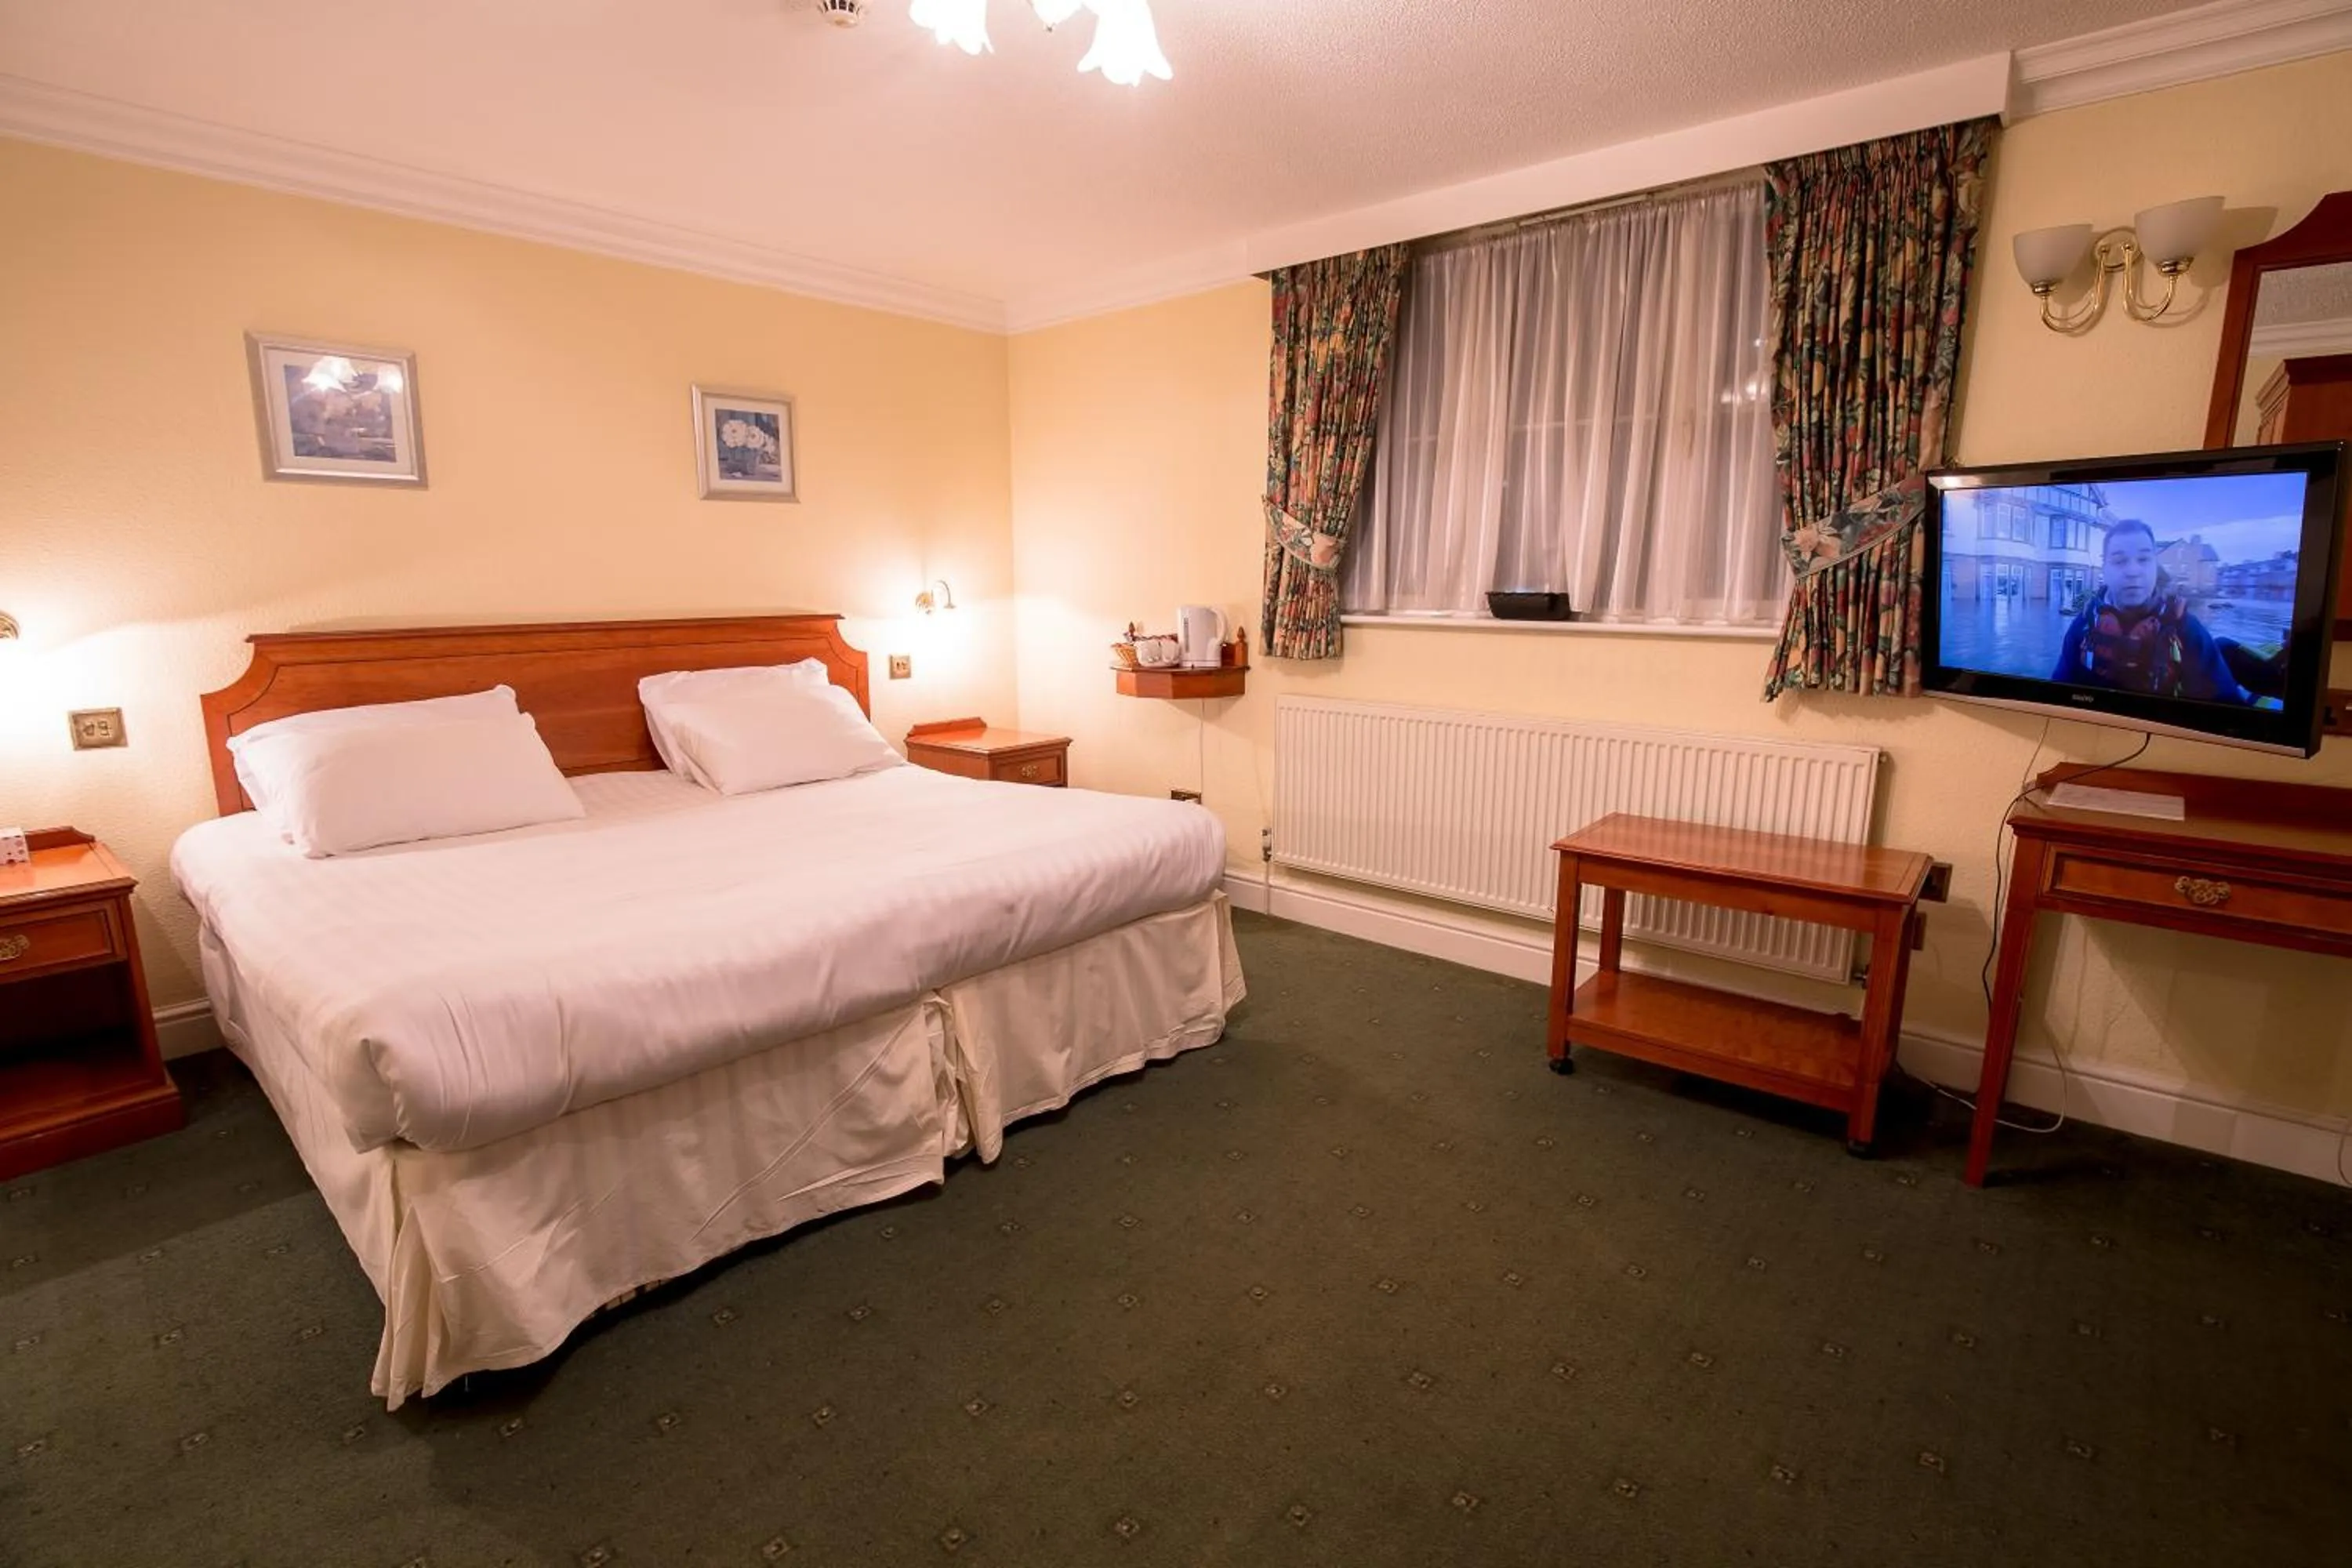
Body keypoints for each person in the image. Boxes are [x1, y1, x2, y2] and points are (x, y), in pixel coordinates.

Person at [2051, 519, 2254, 704]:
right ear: (2104, 569)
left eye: (2144, 559)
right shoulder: (2083, 625)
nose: (2133, 571)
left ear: (2155, 568)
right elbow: (2057, 696)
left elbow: (2227, 709)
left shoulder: (2186, 630)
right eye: (2120, 561)